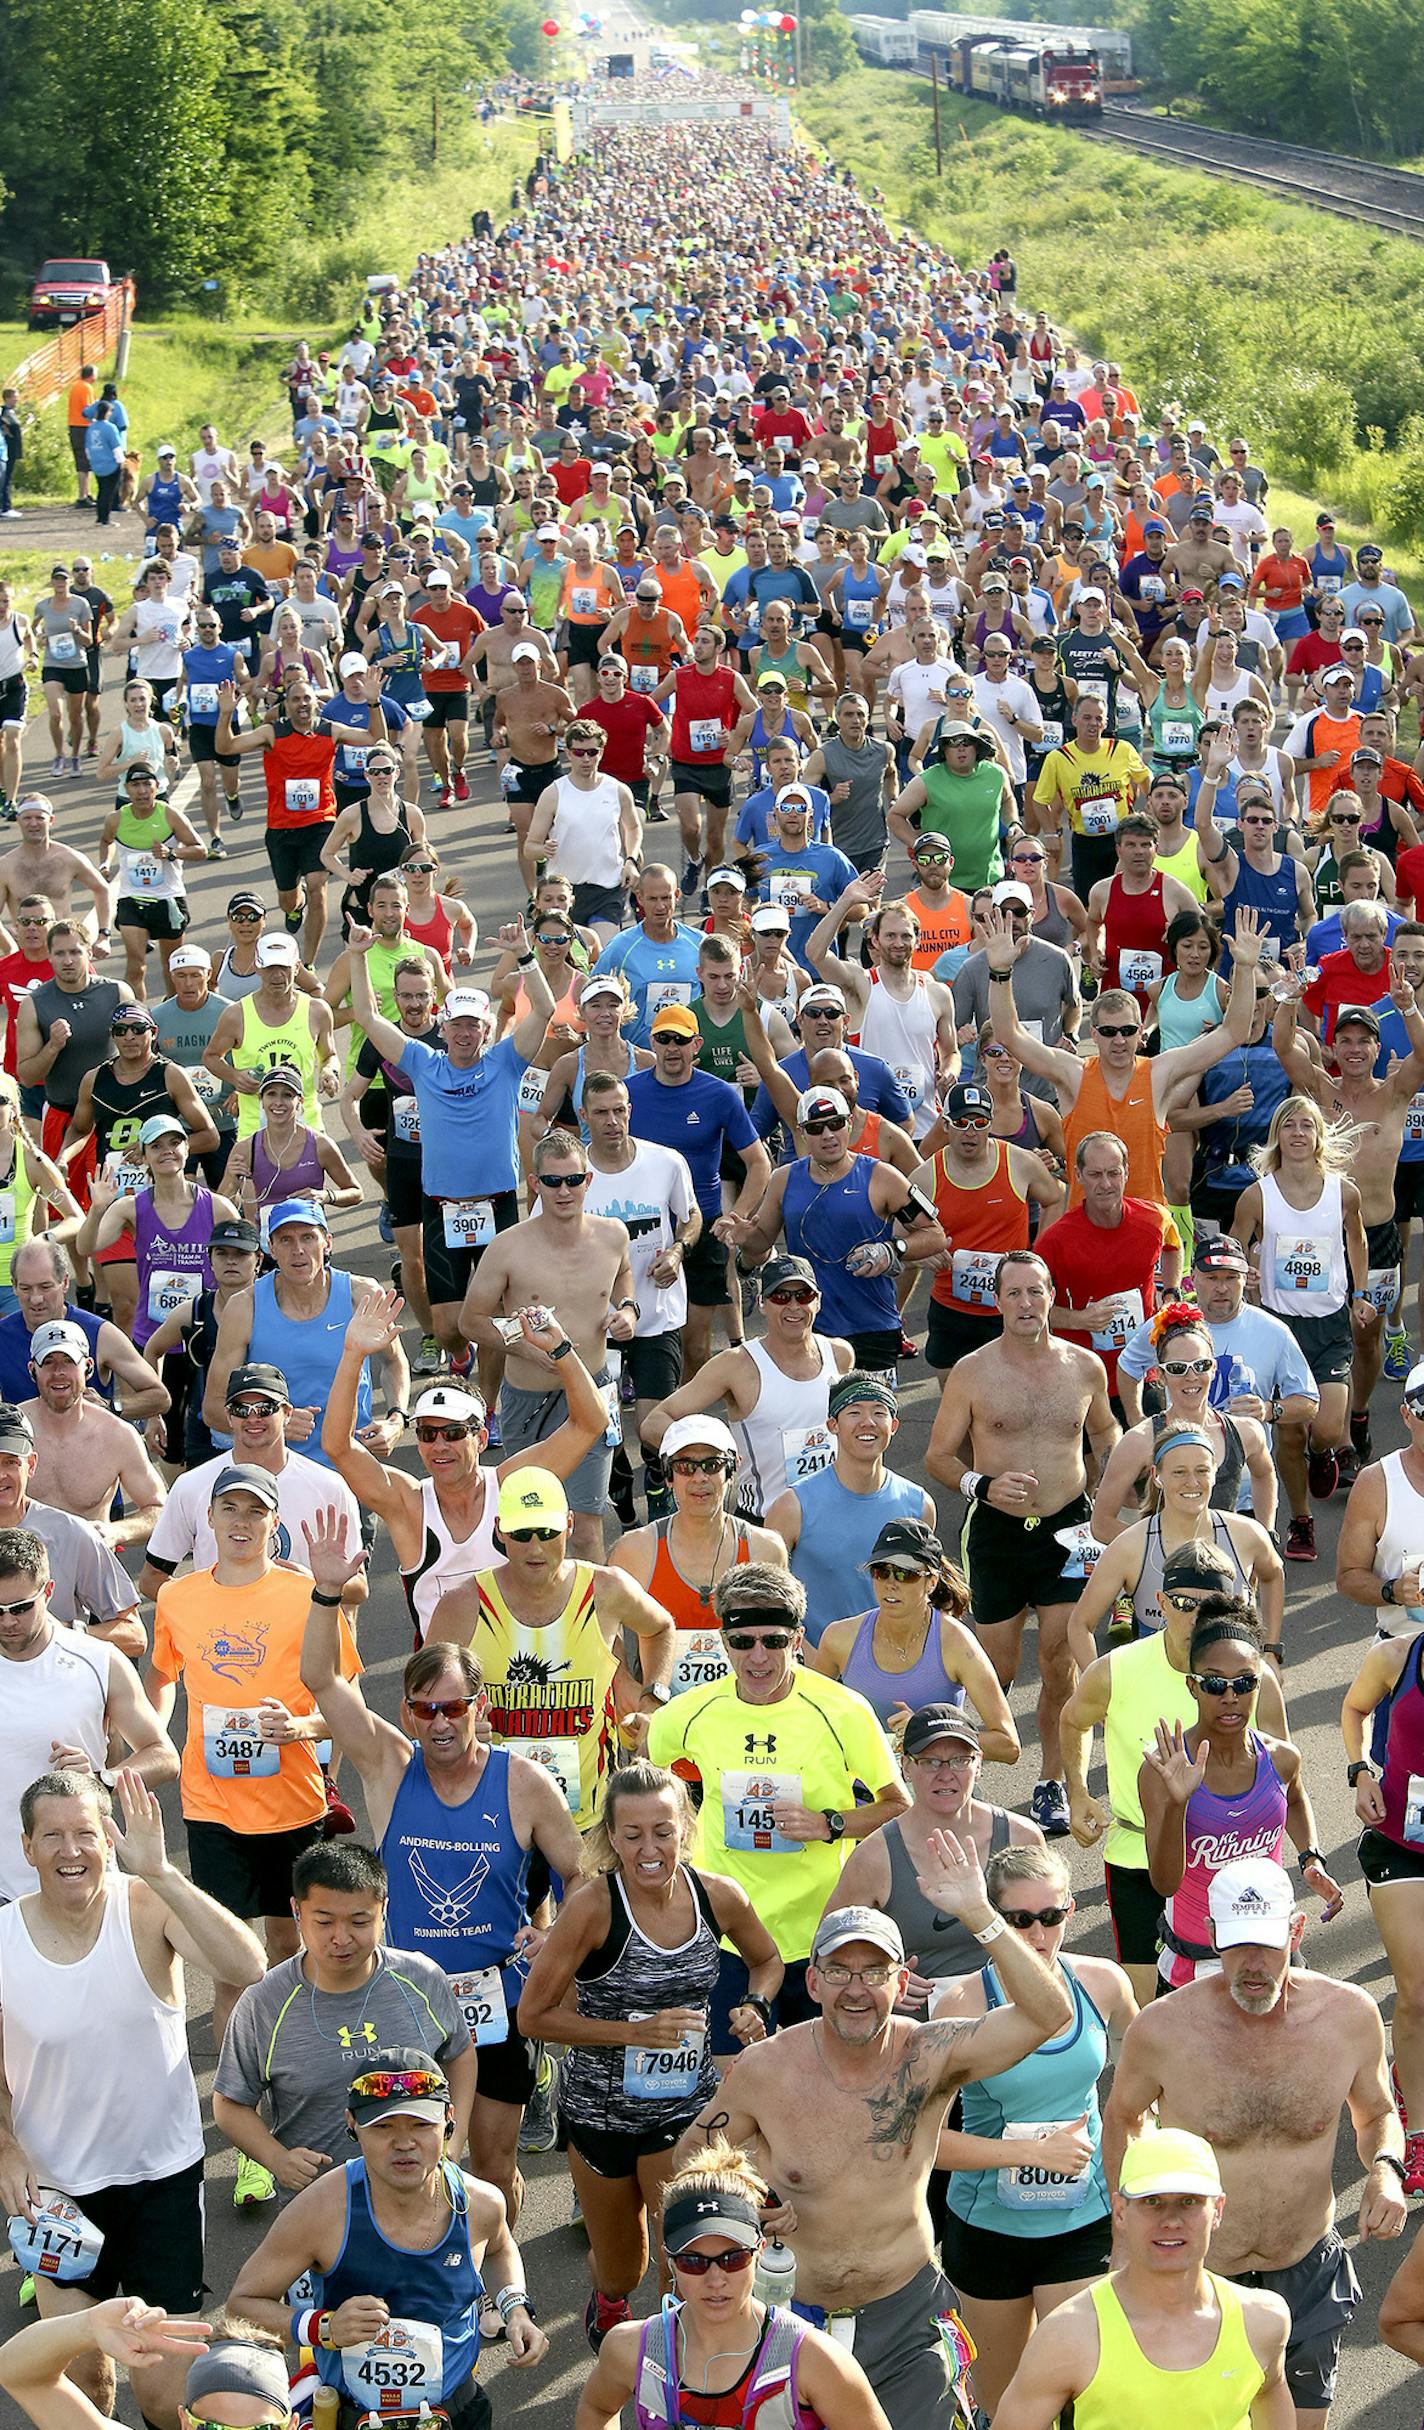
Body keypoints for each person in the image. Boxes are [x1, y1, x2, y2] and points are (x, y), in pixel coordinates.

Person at [683, 1837, 1074, 2430]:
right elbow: (691, 2166)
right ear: (812, 1982)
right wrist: (749, 2204)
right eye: (839, 1970)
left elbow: (1050, 2015)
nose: (857, 1989)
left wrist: (981, 1914)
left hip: (908, 2320)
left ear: (902, 1980)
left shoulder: (930, 2054)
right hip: (790, 2318)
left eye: (874, 1972)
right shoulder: (766, 2070)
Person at [298, 1503, 585, 2213]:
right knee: (402, 2163)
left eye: (454, 1709)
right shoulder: (391, 1769)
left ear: (480, 1709)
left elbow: (580, 1872)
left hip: (500, 2001)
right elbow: (321, 1680)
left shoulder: (522, 1782)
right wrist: (327, 1591)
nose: (440, 1724)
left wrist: (558, 1937)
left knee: (489, 2163)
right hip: (406, 1999)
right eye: (425, 1711)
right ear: (407, 1715)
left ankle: (496, 2288)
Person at [1104, 1855, 1407, 2427]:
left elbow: (1376, 2114)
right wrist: (1127, 2225)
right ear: (1212, 1935)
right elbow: (1123, 2118)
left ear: (1294, 1930)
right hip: (1199, 2275)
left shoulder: (1348, 2017)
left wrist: (1385, 2170)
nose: (1252, 1965)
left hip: (1307, 2270)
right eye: (1237, 1944)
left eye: (1267, 1944)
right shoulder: (1164, 2029)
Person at [0, 1769, 264, 2417]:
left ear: (109, 1839)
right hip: (56, 2194)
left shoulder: (145, 1904)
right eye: (52, 1835)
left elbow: (247, 1967)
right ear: (27, 1847)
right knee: (85, 2383)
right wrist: (4, 2144)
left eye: (85, 1833)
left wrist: (165, 1873)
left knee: (163, 2397)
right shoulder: (4, 1937)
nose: (71, 1851)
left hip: (161, 2185)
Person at [518, 1761, 782, 2350]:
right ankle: (609, 2301)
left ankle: (671, 2370)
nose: (648, 1849)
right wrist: (632, 2033)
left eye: (662, 1831)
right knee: (624, 2269)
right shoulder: (591, 1908)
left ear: (684, 1828)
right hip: (600, 2115)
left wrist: (755, 2007)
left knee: (679, 2260)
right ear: (611, 1836)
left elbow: (767, 1961)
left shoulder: (718, 1896)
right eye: (632, 1834)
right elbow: (533, 2017)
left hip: (684, 2116)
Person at [644, 1562, 907, 2045]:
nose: (758, 1657)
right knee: (734, 2080)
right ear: (725, 1641)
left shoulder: (843, 1710)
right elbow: (646, 1775)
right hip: (727, 1933)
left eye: (775, 1641)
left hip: (819, 1933)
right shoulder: (690, 1713)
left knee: (823, 2082)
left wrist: (829, 1824)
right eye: (743, 1643)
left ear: (798, 1639)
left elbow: (898, 1806)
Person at [145, 1462, 361, 2043]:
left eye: (256, 1510)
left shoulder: (307, 1597)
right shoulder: (177, 1598)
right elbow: (162, 1677)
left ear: (274, 1521)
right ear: (209, 1518)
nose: (242, 1522)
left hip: (292, 1802)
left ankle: (300, 2071)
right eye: (230, 1509)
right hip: (211, 1804)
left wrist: (301, 1728)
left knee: (292, 1947)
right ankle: (238, 2100)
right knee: (229, 1965)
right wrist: (157, 1733)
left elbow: (349, 1702)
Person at [228, 2046, 548, 2424]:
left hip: (456, 2413)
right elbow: (243, 2302)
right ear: (352, 2125)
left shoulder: (481, 2204)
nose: (404, 2143)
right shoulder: (321, 2210)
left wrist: (516, 2309)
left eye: (420, 2125)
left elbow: (498, 2248)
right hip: (351, 2415)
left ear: (448, 2120)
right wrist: (324, 2327)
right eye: (383, 2127)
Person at [929, 1843, 1137, 2417]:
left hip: (1083, 2222)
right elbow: (924, 2145)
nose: (1039, 1933)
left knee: (1085, 2398)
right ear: (992, 1921)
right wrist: (1022, 2152)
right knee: (1004, 2405)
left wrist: (1131, 2185)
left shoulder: (1104, 1984)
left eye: (1052, 1916)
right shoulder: (961, 2003)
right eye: (1019, 1920)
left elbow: (1141, 2090)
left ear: (1072, 1910)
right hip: (988, 2229)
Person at [925, 1249, 1118, 1836]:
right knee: (995, 1666)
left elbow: (1104, 1429)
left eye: (1036, 1292)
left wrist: (1114, 1473)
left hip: (1068, 1529)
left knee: (1059, 1659)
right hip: (997, 1535)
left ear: (1051, 1296)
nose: (1027, 1304)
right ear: (998, 1301)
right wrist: (980, 1483)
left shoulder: (1084, 1366)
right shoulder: (973, 1372)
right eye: (1014, 1293)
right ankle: (958, 1772)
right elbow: (936, 1454)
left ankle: (1051, 1783)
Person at [322, 1287, 606, 1642]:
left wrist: (560, 1348)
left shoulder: (511, 1486)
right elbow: (337, 1446)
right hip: (444, 1687)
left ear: (482, 1438)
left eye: (454, 1432)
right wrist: (352, 1355)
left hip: (518, 1682)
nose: (440, 1445)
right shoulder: (408, 1504)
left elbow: (591, 1423)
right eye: (427, 1433)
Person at [212, 1832, 477, 2211]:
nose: (341, 1938)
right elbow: (230, 2103)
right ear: (297, 1912)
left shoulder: (421, 1979)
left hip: (422, 2197)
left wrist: (456, 2137)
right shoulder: (264, 2002)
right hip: (318, 2209)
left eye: (359, 1921)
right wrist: (276, 2159)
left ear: (383, 1911)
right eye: (324, 1922)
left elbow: (460, 2052)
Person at [347, 914, 551, 1385]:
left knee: (498, 1320)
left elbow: (541, 1009)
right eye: (456, 1025)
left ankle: (491, 1406)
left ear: (485, 1029)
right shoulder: (423, 1064)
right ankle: (460, 1358)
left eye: (473, 1026)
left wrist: (525, 957)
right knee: (450, 1330)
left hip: (497, 1204)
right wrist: (357, 958)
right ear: (443, 1028)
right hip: (441, 1207)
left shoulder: (506, 1061)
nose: (464, 1034)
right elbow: (367, 1018)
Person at [574, 2139, 893, 2430]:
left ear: (759, 2252)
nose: (715, 2280)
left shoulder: (815, 2362)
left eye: (733, 2258)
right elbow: (598, 2407)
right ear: (671, 2261)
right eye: (694, 2261)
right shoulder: (631, 2351)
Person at [989, 2127, 1293, 2430]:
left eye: (1189, 2202)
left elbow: (1271, 2394)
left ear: (1217, 2211)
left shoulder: (1263, 2321)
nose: (1171, 2220)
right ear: (1120, 2211)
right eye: (1152, 2202)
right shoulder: (1068, 2336)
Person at [983, 900, 1265, 1214]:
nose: (1119, 1040)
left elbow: (1234, 1032)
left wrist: (1246, 969)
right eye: (1107, 1032)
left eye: (1128, 1030)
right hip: (1087, 1229)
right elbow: (1009, 1035)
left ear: (1141, 1030)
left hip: (1145, 1232)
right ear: (1094, 1034)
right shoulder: (1073, 1074)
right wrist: (999, 972)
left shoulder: (1159, 1072)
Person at [1142, 1609, 1339, 1992]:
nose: (1230, 1697)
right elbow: (1164, 1883)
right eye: (1215, 1684)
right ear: (1192, 1686)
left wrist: (1310, 1855)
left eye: (1244, 1683)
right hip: (1197, 1962)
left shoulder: (1282, 1758)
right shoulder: (1163, 1769)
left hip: (1272, 1950)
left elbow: (1295, 1800)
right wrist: (1178, 1803)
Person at [460, 1125, 633, 1560]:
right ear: (534, 1184)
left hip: (589, 1396)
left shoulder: (613, 1235)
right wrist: (524, 1348)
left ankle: (595, 1627)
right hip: (528, 1403)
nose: (564, 1191)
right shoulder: (507, 1247)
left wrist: (627, 1309)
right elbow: (471, 1320)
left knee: (588, 1531)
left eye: (573, 1180)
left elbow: (625, 1275)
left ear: (587, 1180)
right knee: (529, 1524)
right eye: (552, 1181)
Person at [821, 1702, 1044, 2001]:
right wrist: (884, 1975)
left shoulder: (1022, 1837)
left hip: (1013, 2009)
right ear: (906, 1767)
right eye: (929, 1762)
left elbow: (1051, 1930)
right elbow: (827, 1947)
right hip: (920, 2022)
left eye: (959, 1761)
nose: (945, 1774)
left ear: (978, 1765)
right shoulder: (876, 1856)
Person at [731, 1085, 944, 1376]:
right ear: (803, 1133)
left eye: (835, 1124)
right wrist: (745, 1239)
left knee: (870, 1421)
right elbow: (761, 1244)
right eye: (817, 1128)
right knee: (816, 1420)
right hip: (809, 1325)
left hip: (873, 1326)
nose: (828, 1135)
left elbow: (935, 1234)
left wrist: (892, 1250)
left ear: (850, 1123)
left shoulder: (881, 1176)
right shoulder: (783, 1180)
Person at [1230, 1095, 1370, 1529]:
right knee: (1288, 1431)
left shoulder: (1343, 1192)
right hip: (1279, 1325)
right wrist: (1244, 1275)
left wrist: (1361, 1293)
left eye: (1306, 1126)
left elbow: (1358, 1242)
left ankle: (1323, 1451)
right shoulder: (1257, 1195)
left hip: (1329, 1324)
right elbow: (1235, 1246)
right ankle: (1299, 1520)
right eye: (1288, 1125)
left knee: (1326, 1428)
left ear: (1318, 1136)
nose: (1297, 1134)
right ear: (1276, 1136)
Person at [643, 1254, 854, 1520]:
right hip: (764, 1522)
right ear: (761, 1304)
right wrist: (707, 1458)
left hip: (833, 1516)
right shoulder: (736, 1365)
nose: (793, 1306)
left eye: (803, 1296)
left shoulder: (840, 1355)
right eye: (780, 1297)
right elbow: (654, 1423)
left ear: (818, 1301)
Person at [203, 1200, 408, 1468]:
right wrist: (270, 1424)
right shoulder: (245, 1307)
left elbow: (394, 1362)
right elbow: (213, 1408)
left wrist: (397, 1419)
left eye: (308, 1237)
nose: (298, 1250)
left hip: (352, 1471)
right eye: (286, 1240)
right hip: (275, 1474)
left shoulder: (363, 1296)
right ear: (271, 1248)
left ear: (327, 1242)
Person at [1066, 1420, 1284, 1664]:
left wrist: (1271, 1650)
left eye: (1201, 1470)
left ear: (1215, 1472)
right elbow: (1080, 1625)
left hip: (1235, 1690)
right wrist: (1102, 1689)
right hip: (1159, 1691)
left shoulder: (1247, 1534)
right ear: (1157, 1476)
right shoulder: (1131, 1546)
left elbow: (1273, 1574)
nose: (1192, 1482)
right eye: (1179, 1472)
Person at [610, 1415, 786, 1693]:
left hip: (743, 1706)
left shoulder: (765, 1548)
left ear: (731, 1471)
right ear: (668, 1477)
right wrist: (625, 1687)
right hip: (661, 1711)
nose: (700, 1477)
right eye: (685, 1467)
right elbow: (605, 1632)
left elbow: (780, 1633)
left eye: (712, 1465)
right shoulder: (635, 1550)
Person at [810, 1520, 1018, 1751]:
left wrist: (929, 1734)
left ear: (931, 1582)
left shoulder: (956, 1643)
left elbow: (1007, 1744)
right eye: (881, 1572)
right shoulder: (839, 1638)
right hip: (858, 1784)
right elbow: (808, 1721)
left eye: (904, 1574)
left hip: (936, 1783)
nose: (890, 1584)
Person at [767, 1374, 936, 1642]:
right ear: (832, 1425)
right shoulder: (792, 1507)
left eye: (879, 1412)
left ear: (893, 1425)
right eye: (854, 1412)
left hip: (894, 1668)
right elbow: (768, 1598)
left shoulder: (919, 1505)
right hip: (818, 1671)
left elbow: (922, 1593)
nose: (867, 1422)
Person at [1092, 1301, 1278, 1542]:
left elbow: (1264, 1475)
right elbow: (1101, 1523)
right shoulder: (1140, 1441)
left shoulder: (1245, 1431)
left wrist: (1265, 1537)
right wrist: (1154, 1552)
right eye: (1178, 1368)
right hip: (1165, 1576)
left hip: (1228, 1572)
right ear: (1161, 1376)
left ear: (1213, 1369)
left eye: (1201, 1365)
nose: (1191, 1377)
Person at [17, 1320, 166, 1542]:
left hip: (90, 1568)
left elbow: (159, 1509)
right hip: (20, 1570)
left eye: (68, 1361)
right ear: (32, 1370)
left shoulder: (117, 1435)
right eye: (48, 1362)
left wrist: (116, 1532)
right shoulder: (12, 1431)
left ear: (88, 1367)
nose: (58, 1372)